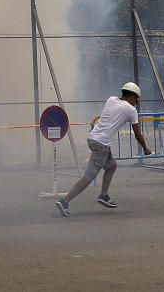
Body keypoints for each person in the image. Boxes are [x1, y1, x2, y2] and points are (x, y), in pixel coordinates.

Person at [56, 82, 151, 217]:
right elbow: (137, 134)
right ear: (132, 96)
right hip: (101, 144)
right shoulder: (131, 110)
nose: (137, 102)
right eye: (137, 99)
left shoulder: (111, 99)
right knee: (89, 176)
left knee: (111, 165)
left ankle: (104, 195)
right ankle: (64, 201)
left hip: (93, 138)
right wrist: (145, 148)